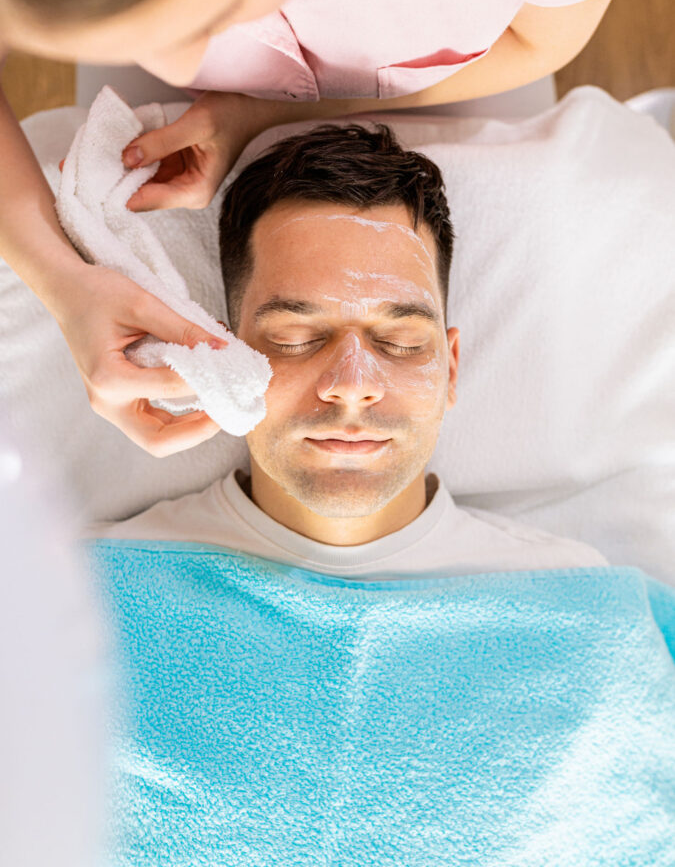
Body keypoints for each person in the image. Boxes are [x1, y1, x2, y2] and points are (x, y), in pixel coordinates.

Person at [0, 0, 669, 454]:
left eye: (212, 15)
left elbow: (538, 42)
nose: (172, 71)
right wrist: (59, 278)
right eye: (293, 335)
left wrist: (265, 112)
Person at [85, 123, 607, 571]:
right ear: (223, 361)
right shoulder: (85, 589)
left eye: (400, 342)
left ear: (450, 369)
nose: (352, 387)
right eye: (297, 338)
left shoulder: (573, 599)